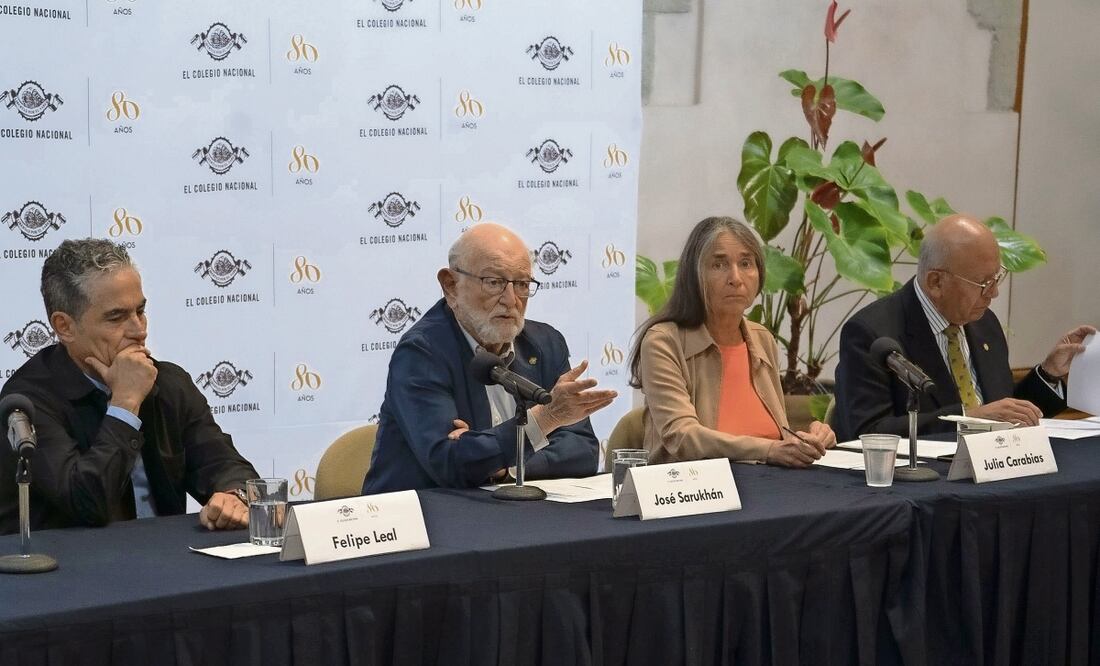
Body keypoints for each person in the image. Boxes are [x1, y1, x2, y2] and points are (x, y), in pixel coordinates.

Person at [0, 239, 259, 535]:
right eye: (117, 317)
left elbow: (227, 466)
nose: (139, 330)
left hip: (168, 557)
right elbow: (86, 503)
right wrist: (125, 404)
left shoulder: (168, 383)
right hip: (69, 561)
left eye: (140, 311)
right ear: (64, 327)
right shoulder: (27, 401)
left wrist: (234, 496)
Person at [362, 223, 616, 493]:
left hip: (513, 511)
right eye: (494, 282)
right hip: (421, 512)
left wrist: (505, 466)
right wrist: (545, 419)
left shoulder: (545, 344)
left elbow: (582, 451)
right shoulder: (422, 352)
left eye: (522, 284)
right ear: (451, 286)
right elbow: (450, 464)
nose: (511, 300)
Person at [834, 214, 1095, 440]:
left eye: (997, 277)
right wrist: (968, 419)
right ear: (936, 282)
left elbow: (1005, 413)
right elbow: (869, 432)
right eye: (984, 283)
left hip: (996, 468)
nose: (994, 293)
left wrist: (1049, 374)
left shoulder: (984, 323)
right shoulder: (872, 334)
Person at [629, 216, 836, 468]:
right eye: (719, 265)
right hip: (693, 486)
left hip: (768, 483)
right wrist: (769, 450)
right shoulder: (664, 341)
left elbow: (772, 433)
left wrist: (810, 439)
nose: (736, 278)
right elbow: (682, 437)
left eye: (746, 263)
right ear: (694, 275)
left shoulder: (762, 339)